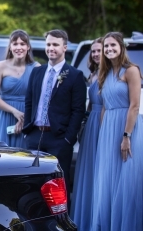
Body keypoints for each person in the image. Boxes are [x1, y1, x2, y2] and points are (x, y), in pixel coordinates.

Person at [91, 32, 143, 230]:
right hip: (108, 131)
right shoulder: (104, 73)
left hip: (126, 129)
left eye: (113, 45)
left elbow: (135, 106)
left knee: (126, 180)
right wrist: (103, 133)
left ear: (121, 47)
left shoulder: (131, 71)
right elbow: (105, 106)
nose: (109, 49)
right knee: (107, 181)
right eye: (106, 47)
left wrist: (126, 136)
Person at [22, 29, 86, 191]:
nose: (51, 48)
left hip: (59, 138)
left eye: (55, 45)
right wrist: (27, 132)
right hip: (34, 136)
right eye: (48, 44)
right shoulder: (37, 72)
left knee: (58, 185)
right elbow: (29, 101)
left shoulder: (75, 75)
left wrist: (68, 139)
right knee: (31, 184)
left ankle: (60, 217)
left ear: (65, 48)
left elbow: (78, 110)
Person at [71, 37, 102, 230]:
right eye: (94, 51)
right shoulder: (92, 75)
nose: (97, 53)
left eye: (100, 50)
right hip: (91, 125)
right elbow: (89, 104)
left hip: (106, 125)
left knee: (102, 171)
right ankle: (88, 214)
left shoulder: (115, 73)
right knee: (89, 170)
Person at [0, 30, 39, 148]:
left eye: (22, 44)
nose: (19, 47)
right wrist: (14, 111)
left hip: (26, 117)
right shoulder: (0, 66)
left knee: (23, 157)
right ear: (10, 47)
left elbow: (39, 98)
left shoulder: (36, 68)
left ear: (28, 47)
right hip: (4, 116)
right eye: (15, 44)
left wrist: (25, 118)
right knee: (0, 155)